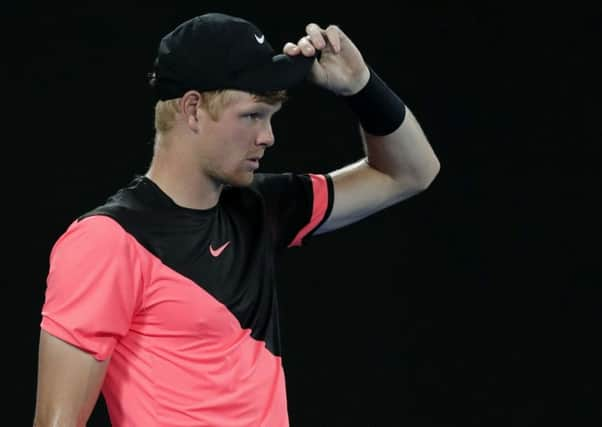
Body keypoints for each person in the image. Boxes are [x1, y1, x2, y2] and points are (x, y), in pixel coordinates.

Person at [33, 12, 440, 427]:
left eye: (270, 116)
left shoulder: (260, 205)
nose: (268, 136)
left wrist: (363, 87)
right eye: (252, 115)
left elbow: (410, 172)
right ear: (193, 109)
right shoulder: (106, 241)